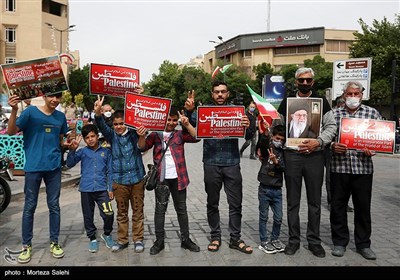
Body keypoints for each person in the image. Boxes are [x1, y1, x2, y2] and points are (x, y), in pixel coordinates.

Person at [185, 81, 253, 254]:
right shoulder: (204, 112)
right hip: (211, 163)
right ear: (212, 94)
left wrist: (248, 124)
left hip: (232, 163)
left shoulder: (238, 112)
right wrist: (190, 109)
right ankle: (215, 236)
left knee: (235, 203)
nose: (220, 95)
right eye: (217, 92)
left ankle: (235, 239)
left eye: (223, 92)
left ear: (228, 94)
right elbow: (191, 125)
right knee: (212, 203)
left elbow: (250, 135)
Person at [277, 67, 336, 258]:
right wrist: (274, 135)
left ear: (313, 81)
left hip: (315, 157)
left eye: (308, 80)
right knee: (293, 201)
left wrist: (318, 142)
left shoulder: (321, 102)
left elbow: (331, 126)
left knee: (315, 202)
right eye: (301, 80)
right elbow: (278, 126)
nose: (304, 83)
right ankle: (293, 240)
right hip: (292, 156)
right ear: (296, 82)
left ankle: (314, 241)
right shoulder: (287, 102)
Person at [7, 93, 69, 264]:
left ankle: (54, 242)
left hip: (53, 168)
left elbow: (60, 140)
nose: (55, 100)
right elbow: (11, 132)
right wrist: (13, 110)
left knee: (54, 206)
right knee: (29, 207)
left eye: (58, 97)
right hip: (33, 168)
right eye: (52, 97)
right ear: (44, 96)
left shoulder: (60, 117)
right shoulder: (30, 112)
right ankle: (26, 245)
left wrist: (69, 145)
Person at [138, 107, 201, 255]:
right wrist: (141, 136)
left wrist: (187, 124)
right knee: (160, 211)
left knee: (182, 210)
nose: (171, 123)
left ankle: (185, 239)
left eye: (174, 120)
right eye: (168, 120)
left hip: (179, 178)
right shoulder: (155, 134)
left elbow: (196, 137)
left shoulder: (179, 134)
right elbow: (142, 147)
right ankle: (159, 241)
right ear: (163, 119)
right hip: (161, 179)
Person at [329, 81, 381, 260]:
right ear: (344, 95)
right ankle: (339, 242)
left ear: (362, 95)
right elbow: (324, 136)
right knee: (338, 207)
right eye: (349, 94)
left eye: (356, 94)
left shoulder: (372, 113)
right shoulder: (333, 114)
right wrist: (332, 146)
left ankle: (363, 244)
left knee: (363, 208)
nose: (352, 97)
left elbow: (382, 138)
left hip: (363, 168)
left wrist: (374, 149)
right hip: (339, 167)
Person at [94, 93, 147, 253]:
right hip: (119, 181)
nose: (119, 126)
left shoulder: (134, 134)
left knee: (138, 212)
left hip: (137, 179)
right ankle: (123, 240)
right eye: (116, 124)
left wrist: (142, 135)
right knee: (122, 213)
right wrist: (98, 113)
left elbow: (141, 147)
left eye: (122, 123)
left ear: (127, 123)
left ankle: (138, 239)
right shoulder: (111, 136)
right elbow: (101, 125)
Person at [66, 124, 116, 253]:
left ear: (97, 136)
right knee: (88, 215)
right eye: (87, 137)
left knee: (109, 214)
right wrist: (72, 150)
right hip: (86, 189)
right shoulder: (82, 152)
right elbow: (69, 164)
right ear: (84, 139)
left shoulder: (106, 152)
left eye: (93, 136)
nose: (91, 139)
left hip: (102, 190)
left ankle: (107, 234)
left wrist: (110, 188)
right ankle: (92, 238)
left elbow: (110, 171)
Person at [256, 125, 286, 254]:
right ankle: (264, 241)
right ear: (273, 137)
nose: (278, 141)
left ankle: (275, 239)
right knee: (264, 217)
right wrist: (266, 134)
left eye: (281, 139)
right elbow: (262, 146)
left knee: (278, 217)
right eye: (277, 138)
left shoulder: (284, 152)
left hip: (277, 190)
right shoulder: (268, 148)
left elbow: (285, 168)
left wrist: (277, 162)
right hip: (264, 188)